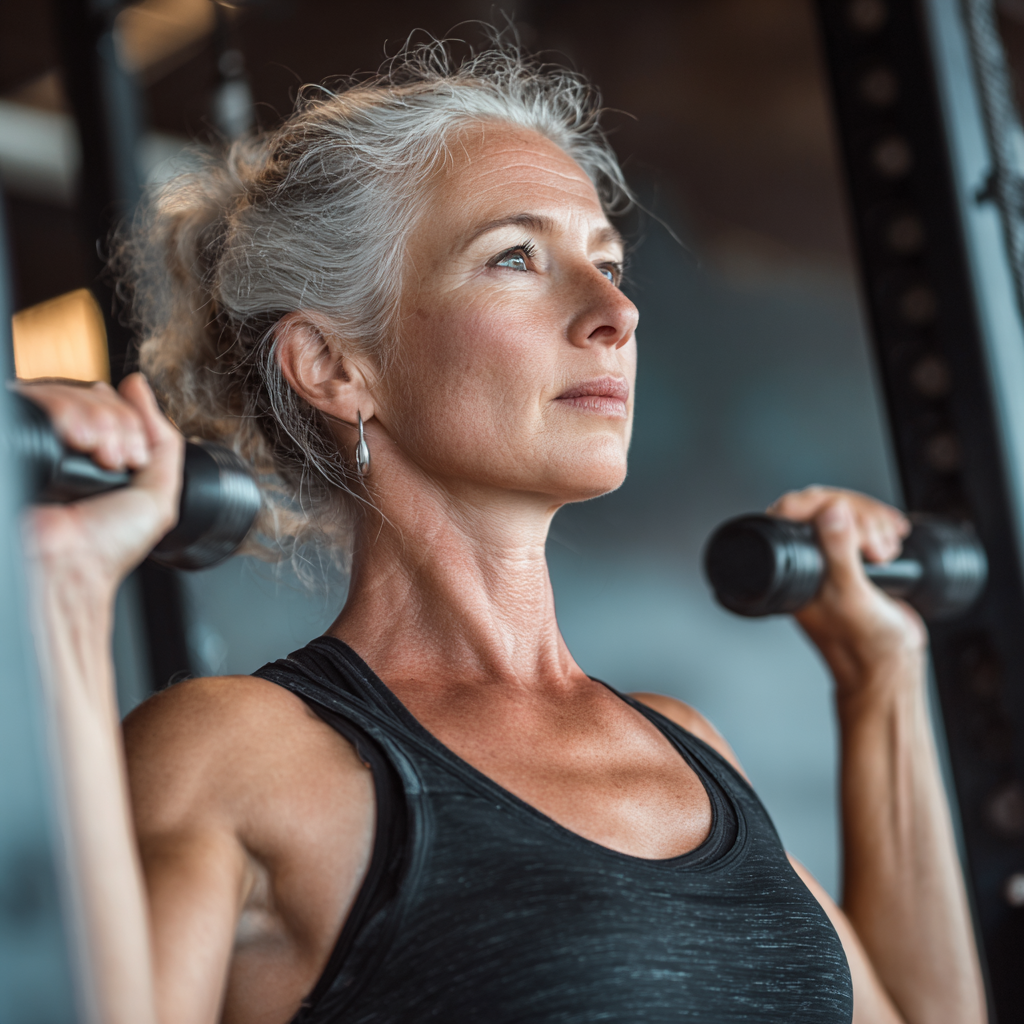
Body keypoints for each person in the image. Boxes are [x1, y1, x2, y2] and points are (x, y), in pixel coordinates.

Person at [23, 42, 986, 1024]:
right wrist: (60, 590)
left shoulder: (689, 748)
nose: (616, 312)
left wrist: (881, 678)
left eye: (607, 265)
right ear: (333, 365)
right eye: (515, 257)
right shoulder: (241, 755)